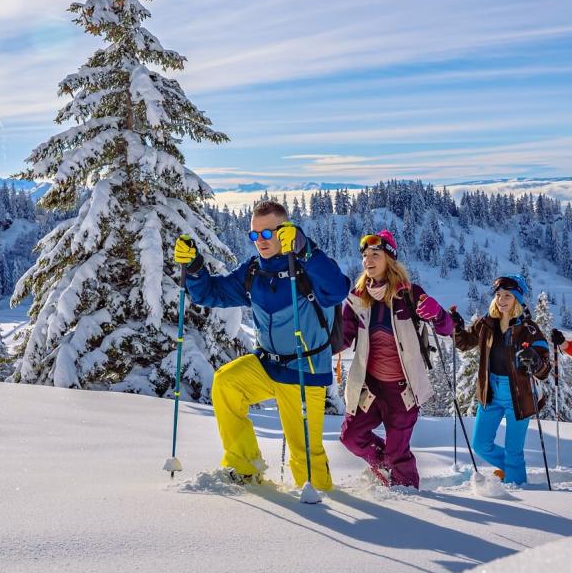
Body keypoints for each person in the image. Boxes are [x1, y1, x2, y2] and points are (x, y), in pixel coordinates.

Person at [173, 200, 350, 489]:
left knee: (305, 453)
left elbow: (337, 289)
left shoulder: (307, 267)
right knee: (226, 383)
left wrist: (305, 248)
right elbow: (211, 293)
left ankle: (320, 498)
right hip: (266, 365)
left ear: (285, 231)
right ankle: (245, 467)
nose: (261, 242)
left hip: (303, 370)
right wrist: (194, 269)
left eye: (267, 234)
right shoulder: (254, 271)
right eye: (254, 235)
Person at [340, 230, 453, 488]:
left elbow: (447, 329)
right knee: (351, 437)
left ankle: (407, 497)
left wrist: (437, 314)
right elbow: (343, 338)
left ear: (389, 259)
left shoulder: (409, 295)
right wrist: (318, 346)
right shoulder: (358, 298)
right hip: (370, 388)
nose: (368, 260)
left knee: (397, 453)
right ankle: (385, 468)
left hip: (403, 391)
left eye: (375, 254)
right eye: (365, 255)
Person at [453, 274, 550, 485]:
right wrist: (456, 329)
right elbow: (464, 343)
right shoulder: (487, 324)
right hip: (491, 391)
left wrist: (535, 361)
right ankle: (511, 469)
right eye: (498, 295)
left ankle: (518, 491)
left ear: (517, 298)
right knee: (480, 444)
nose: (502, 300)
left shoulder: (529, 329)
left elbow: (544, 368)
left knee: (514, 453)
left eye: (507, 295)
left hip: (519, 395)